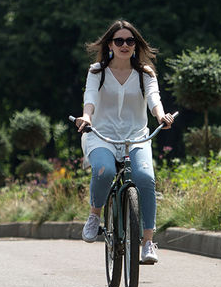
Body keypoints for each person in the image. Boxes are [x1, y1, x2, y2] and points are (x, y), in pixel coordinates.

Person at [73, 20, 174, 264]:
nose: (125, 45)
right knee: (105, 170)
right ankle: (95, 215)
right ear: (110, 44)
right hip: (101, 136)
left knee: (146, 179)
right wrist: (86, 117)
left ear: (136, 46)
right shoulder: (97, 71)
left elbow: (153, 98)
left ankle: (148, 242)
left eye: (130, 41)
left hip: (136, 137)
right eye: (119, 41)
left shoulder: (145, 73)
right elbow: (90, 97)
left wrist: (161, 115)